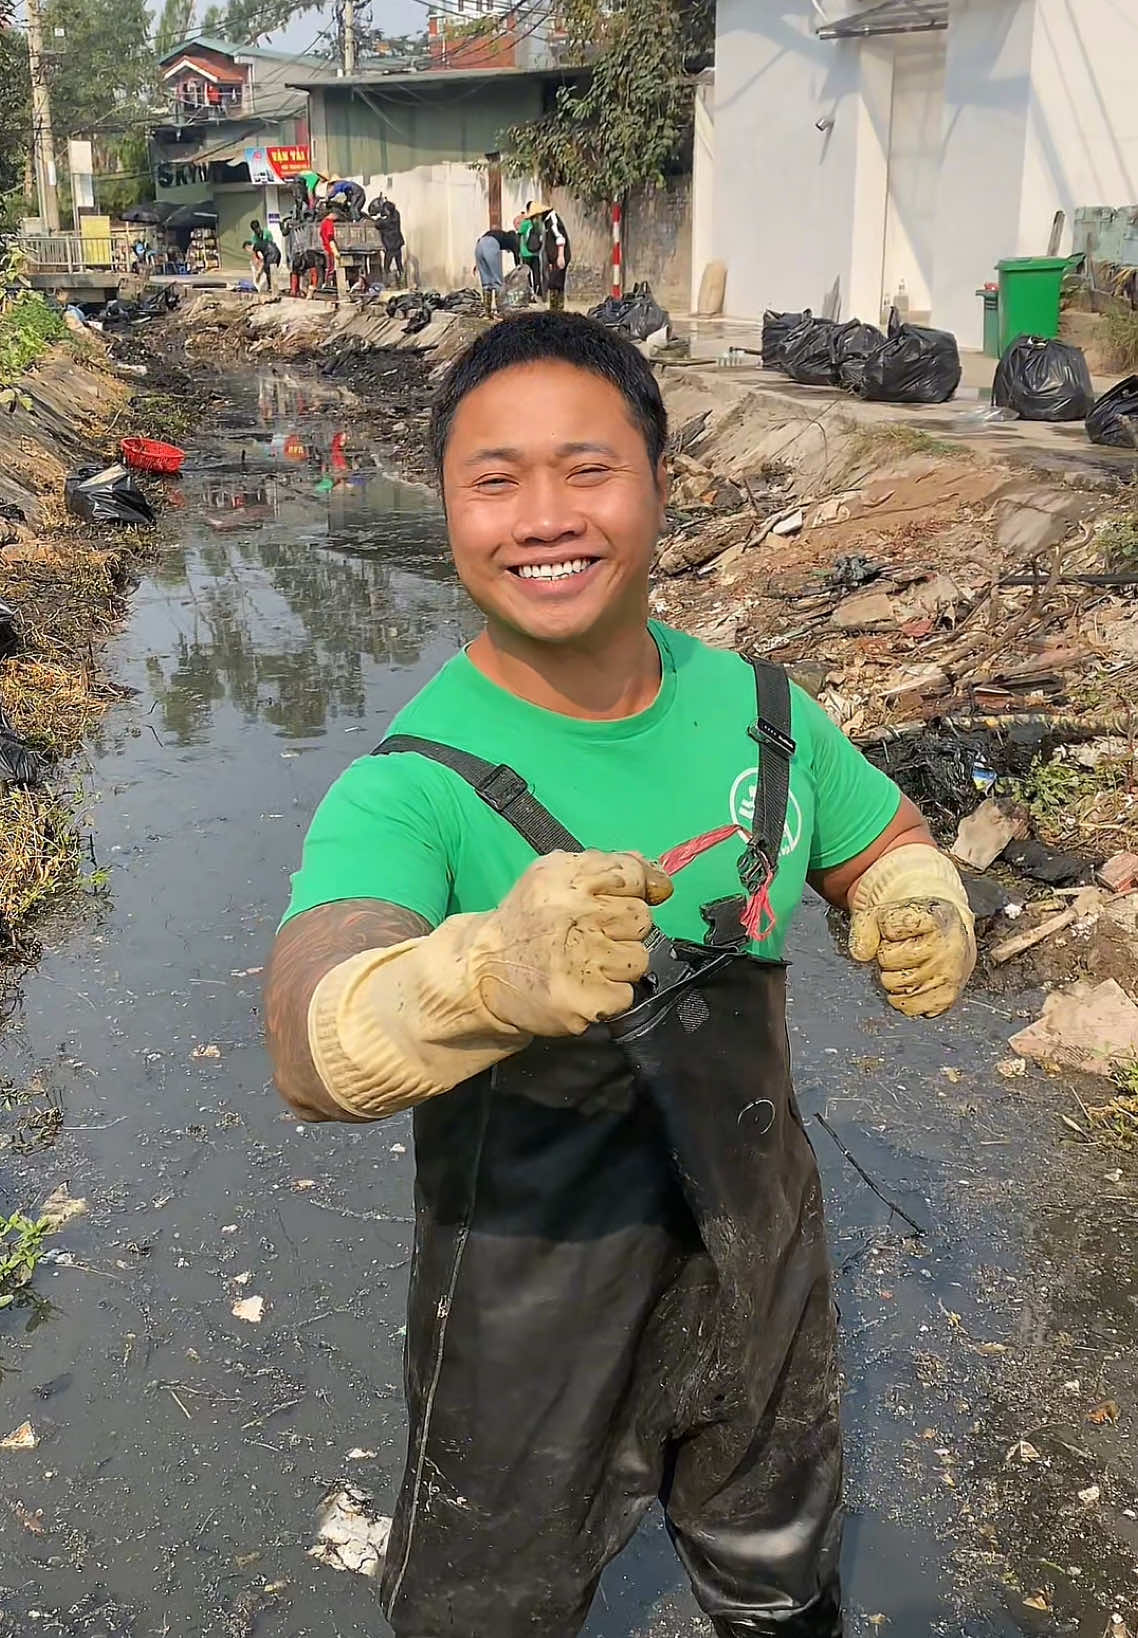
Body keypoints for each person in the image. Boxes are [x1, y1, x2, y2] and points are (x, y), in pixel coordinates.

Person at [265, 312, 976, 1638]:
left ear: (659, 482)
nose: (544, 516)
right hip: (526, 1316)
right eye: (495, 478)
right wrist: (475, 974)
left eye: (586, 468)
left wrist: (911, 891)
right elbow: (311, 1036)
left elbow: (877, 834)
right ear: (447, 507)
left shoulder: (768, 712)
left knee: (778, 1584)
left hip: (761, 1280)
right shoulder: (412, 786)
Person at [473, 223, 519, 317]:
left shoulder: (498, 234)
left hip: (479, 245)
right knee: (498, 281)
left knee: (486, 283)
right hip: (491, 244)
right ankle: (501, 312)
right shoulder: (513, 239)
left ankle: (487, 312)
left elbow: (481, 245)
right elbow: (516, 254)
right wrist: (519, 267)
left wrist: (477, 264)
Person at [541, 204, 572, 311]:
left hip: (559, 257)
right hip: (555, 258)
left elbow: (560, 238)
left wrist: (560, 256)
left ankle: (556, 311)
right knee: (556, 283)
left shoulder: (553, 221)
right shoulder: (548, 222)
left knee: (555, 284)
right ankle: (556, 311)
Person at [374, 197, 405, 284]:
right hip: (398, 244)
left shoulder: (385, 222)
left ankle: (389, 283)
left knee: (387, 267)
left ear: (387, 210)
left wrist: (379, 216)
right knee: (399, 265)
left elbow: (377, 224)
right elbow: (393, 212)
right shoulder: (396, 216)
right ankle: (402, 282)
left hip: (390, 246)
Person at [518, 201, 543, 298]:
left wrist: (519, 252)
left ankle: (529, 295)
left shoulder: (525, 223)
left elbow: (519, 236)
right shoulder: (538, 223)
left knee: (526, 275)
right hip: (536, 253)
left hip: (525, 253)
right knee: (537, 273)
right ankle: (538, 294)